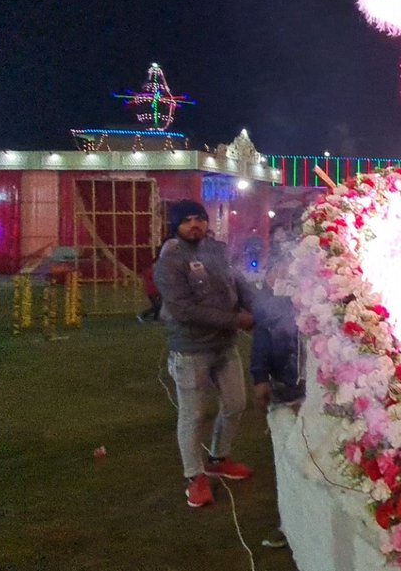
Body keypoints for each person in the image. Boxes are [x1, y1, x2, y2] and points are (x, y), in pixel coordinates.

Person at [155, 199, 256, 509]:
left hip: (224, 345)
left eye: (199, 218)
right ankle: (194, 477)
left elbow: (238, 283)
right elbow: (184, 311)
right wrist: (236, 320)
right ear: (176, 225)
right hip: (190, 349)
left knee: (236, 404)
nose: (194, 225)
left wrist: (260, 308)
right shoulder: (169, 261)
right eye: (186, 220)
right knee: (193, 415)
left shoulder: (217, 251)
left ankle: (218, 459)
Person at [250, 283, 302, 549]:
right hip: (285, 395)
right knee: (287, 464)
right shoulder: (275, 306)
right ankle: (288, 524)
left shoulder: (335, 302)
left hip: (322, 400)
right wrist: (260, 379)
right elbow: (262, 338)